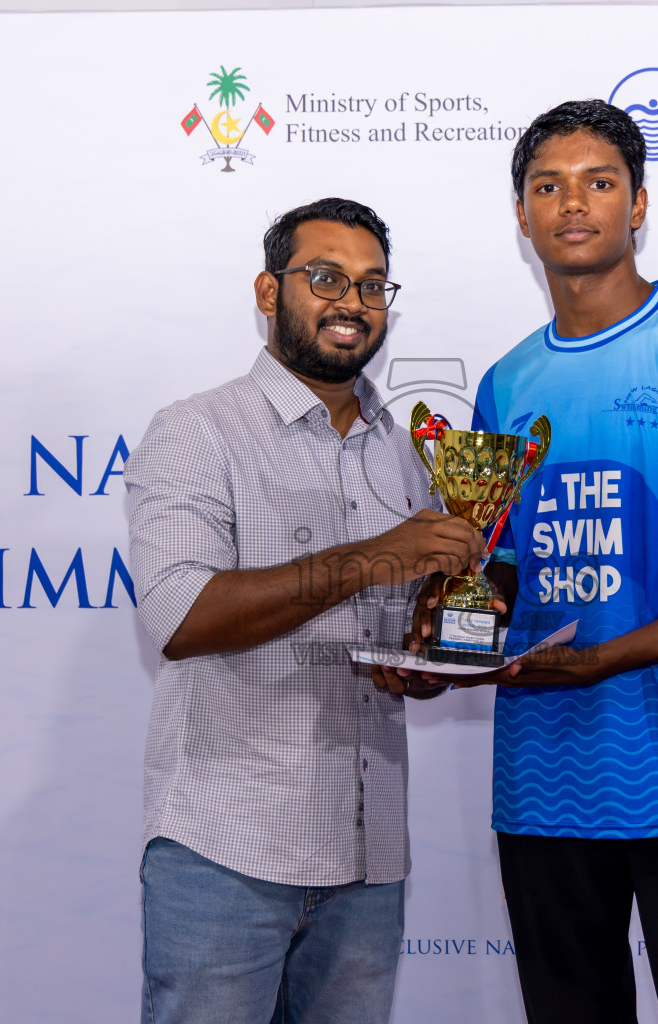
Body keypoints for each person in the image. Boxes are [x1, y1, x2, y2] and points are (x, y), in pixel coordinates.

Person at [389, 100, 658, 1022]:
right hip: (544, 781)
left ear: (638, 204)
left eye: (598, 182)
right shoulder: (506, 382)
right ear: (521, 215)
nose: (572, 203)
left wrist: (609, 658)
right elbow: (501, 566)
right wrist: (448, 639)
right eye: (548, 185)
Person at [124, 197, 481, 1024]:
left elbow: (391, 622)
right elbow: (181, 617)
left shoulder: (404, 447)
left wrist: (421, 662)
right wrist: (370, 560)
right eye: (325, 277)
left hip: (369, 858)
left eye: (373, 285)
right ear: (267, 289)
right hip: (226, 856)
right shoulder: (196, 432)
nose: (352, 302)